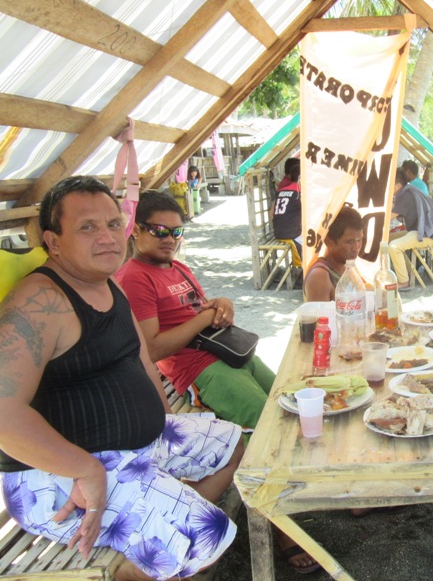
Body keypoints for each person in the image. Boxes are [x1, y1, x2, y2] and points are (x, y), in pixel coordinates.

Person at [0, 176, 243, 581]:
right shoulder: (39, 303)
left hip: (133, 447)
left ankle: (160, 549)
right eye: (88, 227)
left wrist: (163, 420)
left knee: (231, 443)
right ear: (53, 241)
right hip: (60, 475)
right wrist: (84, 469)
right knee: (208, 531)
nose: (108, 237)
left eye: (114, 224)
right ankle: (150, 559)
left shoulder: (108, 283)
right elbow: (3, 414)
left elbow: (142, 361)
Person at [115, 191, 276, 432]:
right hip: (198, 370)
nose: (170, 239)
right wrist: (206, 317)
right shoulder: (134, 278)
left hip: (229, 352)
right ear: (136, 230)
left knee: (287, 399)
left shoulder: (178, 267)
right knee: (268, 427)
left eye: (177, 232)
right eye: (160, 231)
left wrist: (221, 304)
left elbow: (200, 309)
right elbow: (152, 350)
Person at [388, 168, 433, 290]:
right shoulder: (407, 191)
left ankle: (404, 281)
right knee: (388, 239)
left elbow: (388, 218)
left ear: (397, 186)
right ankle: (408, 271)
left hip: (427, 234)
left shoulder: (405, 196)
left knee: (394, 246)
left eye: (389, 184)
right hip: (420, 230)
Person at [304, 205, 364, 301]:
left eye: (359, 240)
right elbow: (319, 311)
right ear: (329, 242)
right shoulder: (319, 276)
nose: (356, 247)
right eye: (350, 242)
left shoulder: (349, 268)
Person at [272, 158, 302, 261]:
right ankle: (303, 266)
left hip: (277, 232)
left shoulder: (281, 190)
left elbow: (271, 213)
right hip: (292, 235)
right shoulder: (299, 191)